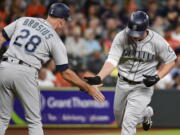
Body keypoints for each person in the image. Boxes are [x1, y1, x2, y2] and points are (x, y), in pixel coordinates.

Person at [0, 3, 105, 135]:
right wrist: (87, 88)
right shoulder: (55, 39)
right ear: (61, 21)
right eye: (66, 21)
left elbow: (1, 37)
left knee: (2, 118)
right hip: (25, 71)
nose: (65, 24)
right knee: (34, 121)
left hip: (4, 67)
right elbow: (65, 73)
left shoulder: (25, 20)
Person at [84, 11, 176, 135]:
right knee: (119, 120)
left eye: (138, 33)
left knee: (128, 123)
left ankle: (139, 114)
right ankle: (145, 113)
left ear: (146, 28)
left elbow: (171, 61)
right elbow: (112, 60)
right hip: (122, 83)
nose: (134, 36)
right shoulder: (121, 37)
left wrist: (157, 77)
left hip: (143, 85)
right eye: (132, 32)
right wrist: (100, 76)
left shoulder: (157, 41)